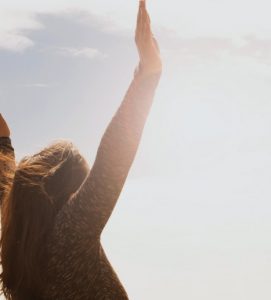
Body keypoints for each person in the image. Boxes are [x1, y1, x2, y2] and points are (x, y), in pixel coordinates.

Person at [0, 0, 162, 299]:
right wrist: (147, 76)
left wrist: (3, 140)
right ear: (67, 192)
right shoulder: (69, 237)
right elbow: (111, 163)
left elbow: (5, 176)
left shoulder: (18, 244)